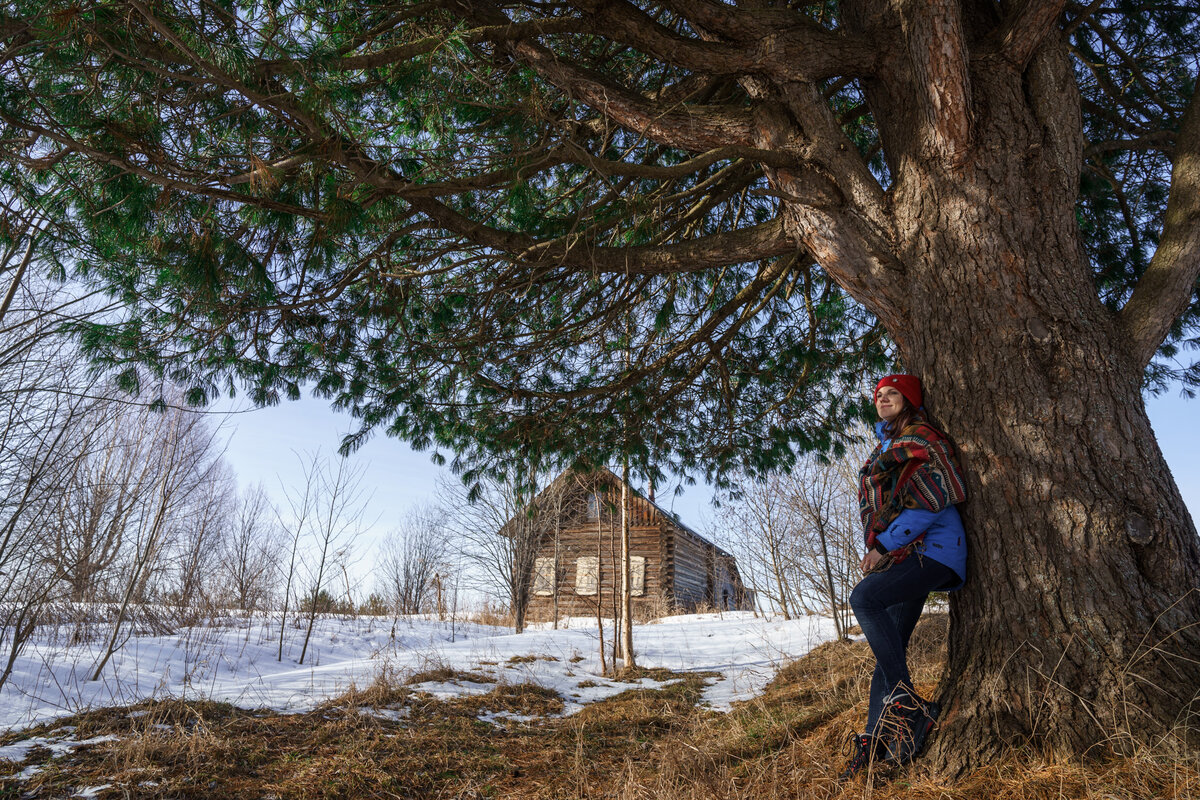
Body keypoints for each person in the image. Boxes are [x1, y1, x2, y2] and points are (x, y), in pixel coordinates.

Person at [839, 374, 967, 782]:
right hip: (905, 557)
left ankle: (909, 708)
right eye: (878, 395)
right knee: (888, 652)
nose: (883, 399)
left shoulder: (923, 441)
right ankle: (882, 738)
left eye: (892, 393)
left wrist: (882, 547)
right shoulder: (887, 450)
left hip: (932, 552)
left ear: (909, 400)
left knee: (864, 599)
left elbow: (930, 503)